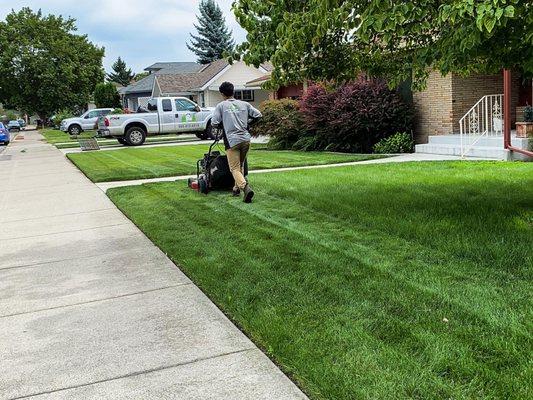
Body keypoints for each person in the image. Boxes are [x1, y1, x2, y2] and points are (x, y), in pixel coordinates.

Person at [211, 81, 262, 203]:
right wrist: (248, 124)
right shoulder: (244, 104)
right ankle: (236, 189)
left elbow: (214, 123)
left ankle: (245, 187)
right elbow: (258, 115)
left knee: (234, 168)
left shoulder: (221, 106)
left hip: (232, 141)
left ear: (222, 94)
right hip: (245, 139)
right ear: (233, 91)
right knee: (241, 164)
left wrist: (223, 125)